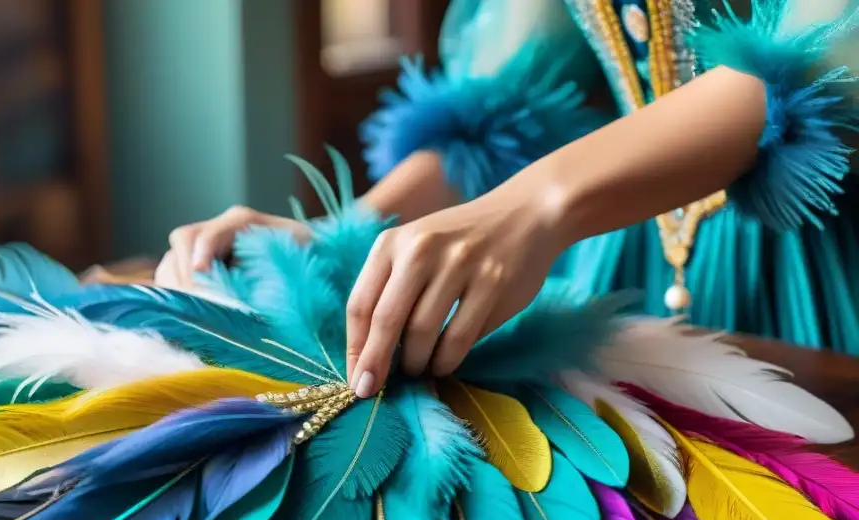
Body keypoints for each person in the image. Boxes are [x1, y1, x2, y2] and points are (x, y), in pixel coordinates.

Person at [155, 0, 859, 399]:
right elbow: (516, 96)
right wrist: (350, 232)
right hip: (623, 250)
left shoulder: (546, 204)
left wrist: (537, 206)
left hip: (825, 265)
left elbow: (833, 58)